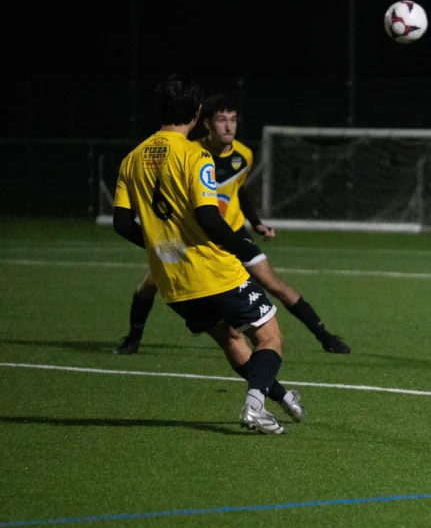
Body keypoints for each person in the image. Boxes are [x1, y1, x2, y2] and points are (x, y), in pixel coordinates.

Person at [112, 75, 302, 435]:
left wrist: (161, 245)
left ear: (158, 109)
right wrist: (243, 247)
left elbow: (122, 223)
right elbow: (208, 217)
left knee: (231, 339)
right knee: (270, 336)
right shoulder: (196, 155)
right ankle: (254, 407)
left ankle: (279, 395)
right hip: (214, 271)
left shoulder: (132, 159)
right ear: (198, 113)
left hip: (174, 282)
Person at [115, 94, 351, 356]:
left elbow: (238, 190)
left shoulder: (243, 155)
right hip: (195, 237)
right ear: (206, 123)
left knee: (274, 284)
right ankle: (133, 339)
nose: (229, 127)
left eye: (233, 120)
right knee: (149, 285)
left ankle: (325, 337)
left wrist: (257, 224)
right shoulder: (189, 152)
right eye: (221, 120)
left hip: (233, 233)